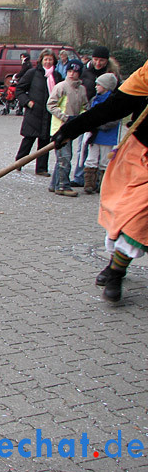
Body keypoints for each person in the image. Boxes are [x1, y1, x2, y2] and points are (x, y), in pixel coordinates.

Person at [52, 58, 148, 302]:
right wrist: (73, 128)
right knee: (132, 213)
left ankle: (116, 267)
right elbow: (114, 107)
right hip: (141, 156)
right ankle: (117, 267)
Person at [72, 46, 122, 188]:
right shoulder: (86, 71)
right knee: (84, 148)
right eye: (96, 59)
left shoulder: (113, 76)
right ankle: (80, 177)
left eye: (101, 60)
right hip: (87, 112)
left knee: (102, 156)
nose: (98, 63)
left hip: (102, 121)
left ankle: (100, 182)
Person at [14, 48, 63, 177]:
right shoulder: (32, 73)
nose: (48, 62)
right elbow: (19, 89)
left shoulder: (57, 76)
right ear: (41, 60)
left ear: (54, 61)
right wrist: (27, 102)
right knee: (29, 138)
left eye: (50, 59)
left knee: (44, 141)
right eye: (45, 59)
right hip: (34, 111)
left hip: (48, 113)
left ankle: (41, 168)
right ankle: (19, 162)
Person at [46, 59, 88, 197]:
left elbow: (84, 107)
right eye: (69, 71)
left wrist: (80, 119)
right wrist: (65, 117)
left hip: (72, 128)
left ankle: (55, 184)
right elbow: (51, 105)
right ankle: (63, 185)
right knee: (65, 157)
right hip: (60, 128)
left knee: (62, 158)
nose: (71, 74)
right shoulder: (61, 87)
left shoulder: (82, 89)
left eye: (75, 72)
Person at [82, 73, 119, 194]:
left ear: (106, 86)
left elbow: (114, 120)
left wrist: (99, 125)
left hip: (107, 136)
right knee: (91, 158)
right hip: (94, 135)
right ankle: (89, 183)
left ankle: (103, 184)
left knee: (105, 161)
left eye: (99, 84)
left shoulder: (114, 101)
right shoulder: (94, 99)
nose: (96, 86)